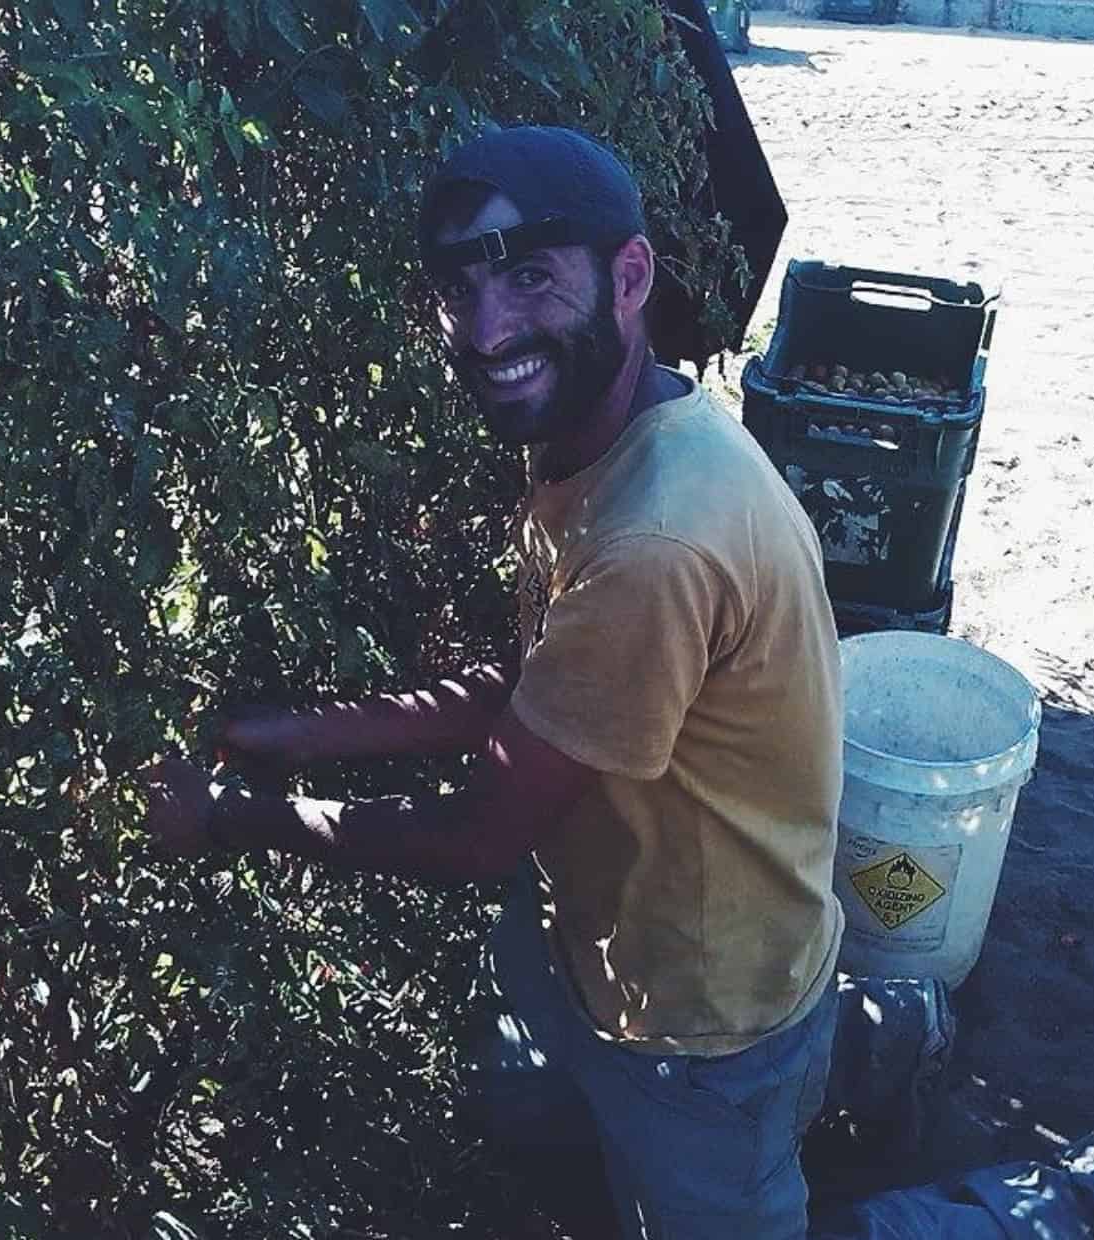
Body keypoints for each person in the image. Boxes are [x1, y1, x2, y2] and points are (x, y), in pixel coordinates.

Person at [142, 124, 849, 1237]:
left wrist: (235, 814)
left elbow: (478, 833)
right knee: (565, 1135)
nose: (484, 329)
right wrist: (306, 732)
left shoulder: (655, 541)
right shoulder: (611, 433)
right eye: (456, 286)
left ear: (629, 278)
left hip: (698, 1024)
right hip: (606, 938)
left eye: (527, 276)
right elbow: (540, 691)